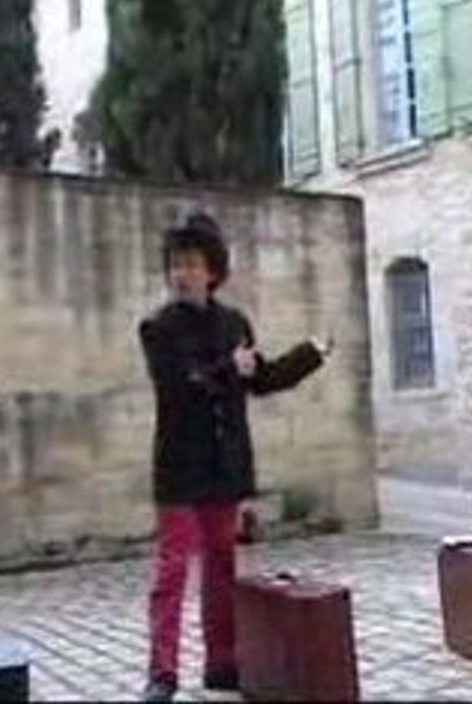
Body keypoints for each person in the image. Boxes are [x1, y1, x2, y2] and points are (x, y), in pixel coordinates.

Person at [138, 212, 333, 702]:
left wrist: (309, 354)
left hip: (224, 467)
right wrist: (229, 368)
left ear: (212, 270)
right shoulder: (157, 327)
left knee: (223, 568)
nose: (181, 274)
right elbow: (180, 387)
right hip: (179, 469)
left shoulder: (233, 323)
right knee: (172, 571)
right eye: (174, 265)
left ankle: (221, 663)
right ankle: (162, 673)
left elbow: (259, 379)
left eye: (190, 264)